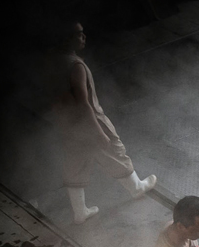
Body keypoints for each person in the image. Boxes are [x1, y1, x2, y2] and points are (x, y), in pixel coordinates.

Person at [53, 21, 157, 224]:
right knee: (115, 152)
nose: (83, 37)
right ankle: (137, 188)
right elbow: (84, 103)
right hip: (90, 120)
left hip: (68, 122)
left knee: (75, 161)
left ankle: (79, 211)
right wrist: (98, 131)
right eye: (79, 34)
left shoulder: (53, 60)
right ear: (67, 38)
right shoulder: (76, 66)